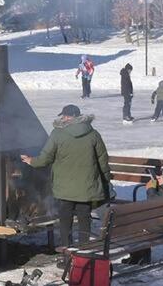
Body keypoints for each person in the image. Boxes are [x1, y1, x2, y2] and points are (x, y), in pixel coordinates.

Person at [21, 104, 109, 253]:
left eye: (63, 116)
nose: (62, 118)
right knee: (84, 217)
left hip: (64, 188)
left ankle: (67, 250)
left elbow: (45, 159)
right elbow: (103, 160)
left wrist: (31, 161)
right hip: (86, 187)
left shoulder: (57, 134)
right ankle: (84, 251)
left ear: (68, 117)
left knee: (65, 218)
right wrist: (105, 180)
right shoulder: (93, 134)